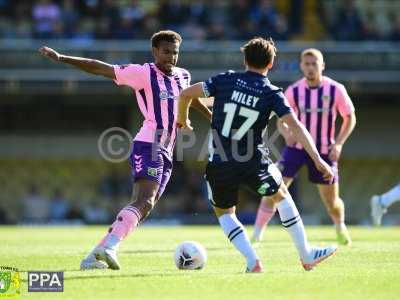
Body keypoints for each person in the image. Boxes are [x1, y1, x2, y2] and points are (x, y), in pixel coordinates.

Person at [39, 30, 212, 270]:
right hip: (149, 144)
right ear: (154, 52)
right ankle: (110, 246)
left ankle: (92, 257)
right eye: (166, 52)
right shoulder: (142, 73)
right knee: (144, 199)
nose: (171, 57)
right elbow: (101, 67)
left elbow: (190, 99)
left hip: (167, 150)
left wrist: (211, 117)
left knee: (146, 205)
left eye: (175, 52)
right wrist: (62, 58)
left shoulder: (183, 76)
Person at [177, 37, 337, 273]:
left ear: (245, 60)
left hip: (220, 161)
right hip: (253, 161)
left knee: (224, 212)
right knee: (281, 194)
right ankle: (306, 254)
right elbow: (296, 127)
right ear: (271, 64)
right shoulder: (271, 92)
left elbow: (186, 94)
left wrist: (183, 119)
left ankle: (253, 261)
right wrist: (317, 158)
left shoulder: (225, 80)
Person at [252, 48, 356, 246]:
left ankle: (340, 227)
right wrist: (286, 133)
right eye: (306, 64)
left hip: (324, 150)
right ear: (301, 66)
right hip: (296, 150)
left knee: (331, 202)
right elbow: (281, 120)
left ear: (322, 66)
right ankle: (257, 234)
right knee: (273, 188)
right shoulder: (294, 90)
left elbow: (350, 117)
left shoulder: (336, 90)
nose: (310, 67)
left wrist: (340, 143)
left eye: (314, 63)